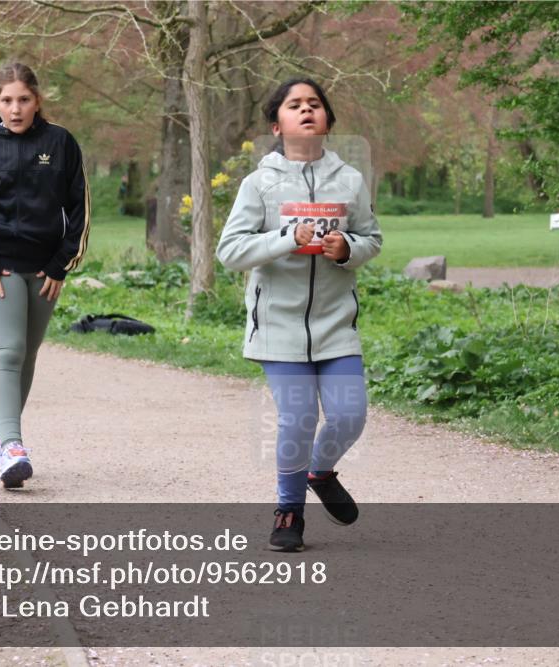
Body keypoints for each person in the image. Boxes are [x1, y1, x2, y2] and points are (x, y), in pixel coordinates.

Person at [216, 78, 383, 551]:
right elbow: (230, 250)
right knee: (299, 417)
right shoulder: (259, 184)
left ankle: (319, 471)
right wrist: (287, 238)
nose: (306, 109)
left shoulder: (350, 181)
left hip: (335, 326)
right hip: (278, 328)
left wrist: (346, 248)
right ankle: (288, 510)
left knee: (350, 416)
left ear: (327, 120)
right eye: (295, 105)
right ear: (277, 125)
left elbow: (372, 238)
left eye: (315, 104)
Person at [0, 62, 90, 489]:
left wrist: (61, 263)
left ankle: (0, 443)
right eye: (7, 100)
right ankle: (12, 445)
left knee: (26, 355)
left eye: (24, 100)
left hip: (45, 270)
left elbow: (80, 209)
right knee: (8, 352)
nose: (15, 109)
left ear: (37, 100)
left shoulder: (60, 143)